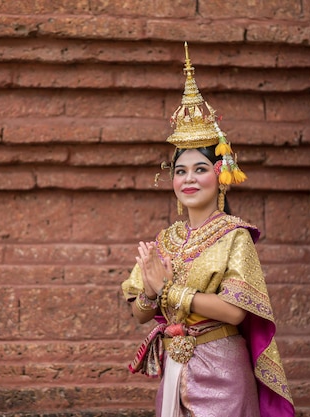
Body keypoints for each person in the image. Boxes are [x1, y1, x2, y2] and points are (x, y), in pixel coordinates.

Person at [121, 43, 295, 417]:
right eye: (180, 171)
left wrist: (169, 290)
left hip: (222, 369)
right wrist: (151, 294)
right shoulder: (166, 239)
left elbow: (234, 312)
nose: (188, 179)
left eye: (200, 169)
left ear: (220, 175)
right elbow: (138, 312)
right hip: (175, 368)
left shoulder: (235, 236)